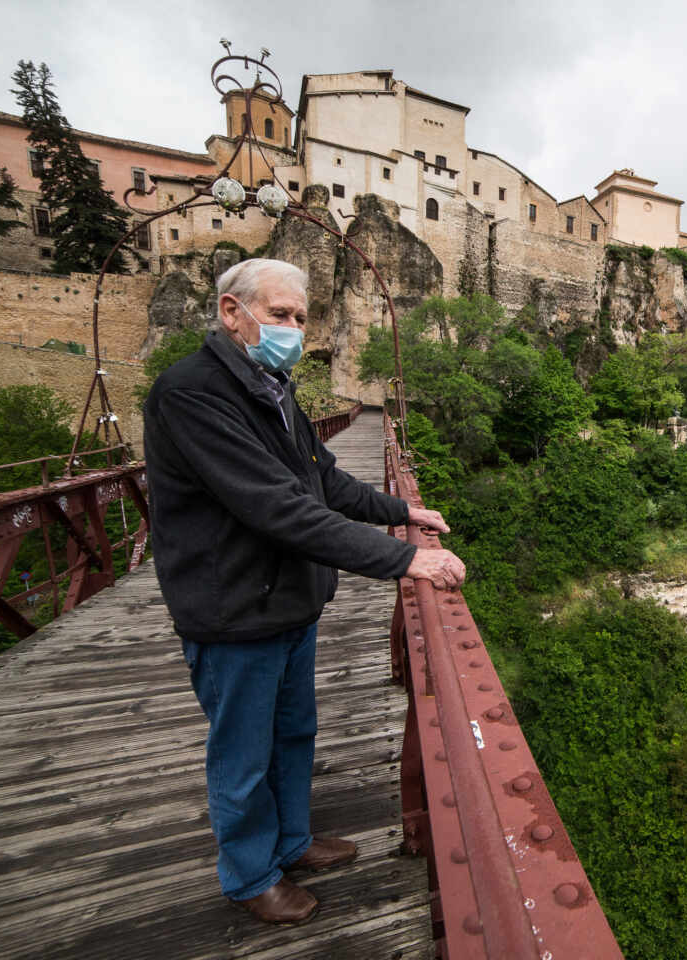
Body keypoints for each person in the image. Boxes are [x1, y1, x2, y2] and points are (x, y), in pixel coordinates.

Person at [142, 258, 465, 925]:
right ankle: (251, 874)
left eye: (298, 317)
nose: (292, 328)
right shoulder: (192, 393)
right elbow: (279, 509)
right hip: (232, 606)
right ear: (232, 311)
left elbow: (323, 482)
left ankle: (290, 841)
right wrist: (407, 561)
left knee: (293, 734)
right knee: (242, 754)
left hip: (287, 599)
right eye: (279, 314)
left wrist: (400, 513)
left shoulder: (272, 385)